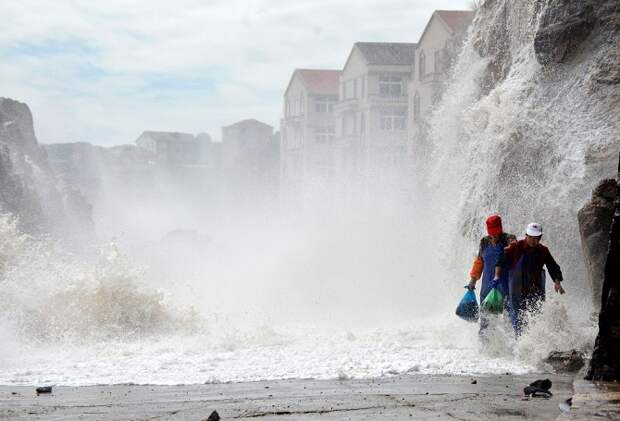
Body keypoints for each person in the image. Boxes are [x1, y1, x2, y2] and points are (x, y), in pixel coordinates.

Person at [495, 222, 565, 336]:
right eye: (530, 237)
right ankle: (518, 344)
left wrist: (557, 283)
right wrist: (497, 276)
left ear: (540, 238)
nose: (533, 241)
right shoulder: (516, 246)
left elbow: (553, 266)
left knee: (536, 317)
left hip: (535, 290)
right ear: (526, 235)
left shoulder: (543, 250)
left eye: (536, 238)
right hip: (517, 290)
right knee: (517, 318)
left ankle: (534, 342)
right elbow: (500, 261)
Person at [468, 215, 516, 335]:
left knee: (509, 319)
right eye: (492, 233)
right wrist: (472, 281)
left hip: (505, 286)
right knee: (486, 321)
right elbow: (479, 262)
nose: (494, 236)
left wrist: (511, 246)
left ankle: (511, 349)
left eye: (496, 233)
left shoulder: (508, 238)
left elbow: (515, 245)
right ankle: (485, 350)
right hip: (487, 287)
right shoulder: (484, 242)